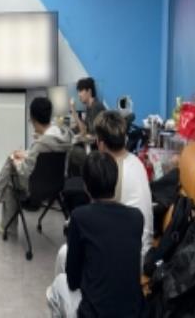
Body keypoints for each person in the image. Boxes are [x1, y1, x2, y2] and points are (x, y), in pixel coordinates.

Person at [54, 110, 153, 277]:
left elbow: (101, 220)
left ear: (100, 144)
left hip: (127, 259)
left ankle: (72, 291)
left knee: (65, 254)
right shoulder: (136, 162)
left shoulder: (112, 171)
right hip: (141, 249)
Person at [47, 152, 145, 318]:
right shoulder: (137, 217)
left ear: (85, 186)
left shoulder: (80, 216)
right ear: (116, 180)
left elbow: (73, 280)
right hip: (133, 312)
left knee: (57, 286)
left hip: (93, 314)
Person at [0, 97, 71, 235]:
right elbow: (42, 157)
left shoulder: (40, 144)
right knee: (14, 160)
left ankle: (6, 223)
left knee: (10, 179)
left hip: (36, 187)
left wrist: (16, 160)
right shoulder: (61, 135)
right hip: (57, 185)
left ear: (33, 118)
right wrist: (26, 154)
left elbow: (25, 171)